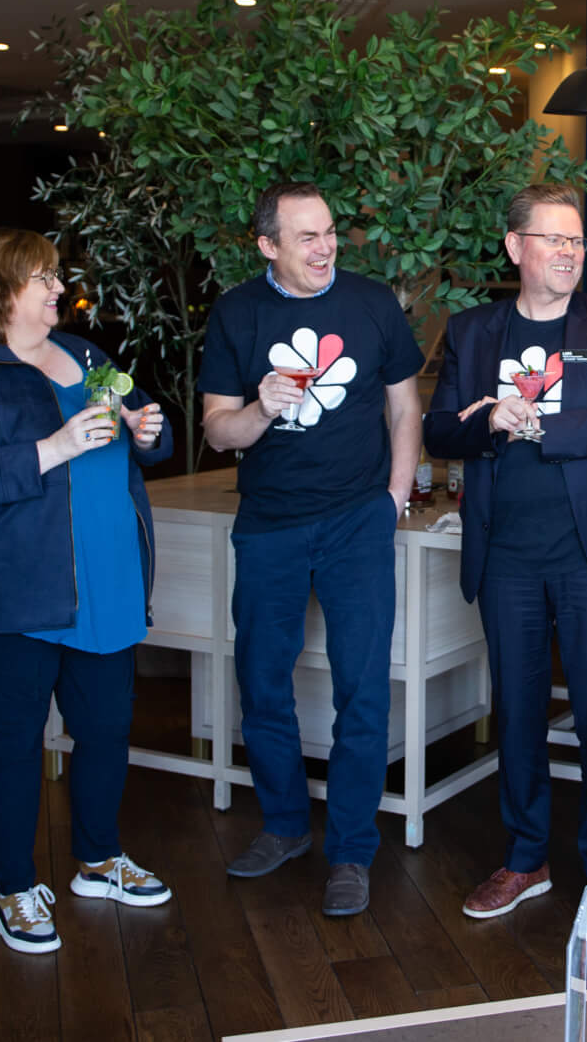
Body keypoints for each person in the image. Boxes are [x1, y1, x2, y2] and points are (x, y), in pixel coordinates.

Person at [0, 228, 175, 956]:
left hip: (106, 583)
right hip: (8, 593)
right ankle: (14, 890)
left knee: (106, 729)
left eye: (56, 275)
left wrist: (148, 427)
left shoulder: (86, 355)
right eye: (43, 278)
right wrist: (52, 448)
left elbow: (150, 428)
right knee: (14, 741)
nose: (60, 288)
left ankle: (98, 857)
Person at [422, 184, 587, 942]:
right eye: (554, 239)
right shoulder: (471, 331)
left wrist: (538, 425)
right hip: (507, 555)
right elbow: (440, 429)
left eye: (578, 242)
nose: (569, 253)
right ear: (515, 246)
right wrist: (488, 417)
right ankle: (525, 858)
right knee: (517, 713)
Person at [200, 181, 424, 918]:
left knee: (362, 686)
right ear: (268, 245)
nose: (326, 247)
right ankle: (287, 825)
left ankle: (352, 847)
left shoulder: (371, 302)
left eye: (329, 232)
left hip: (358, 518)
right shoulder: (236, 313)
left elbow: (403, 405)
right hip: (269, 521)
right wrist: (262, 406)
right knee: (263, 682)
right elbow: (216, 431)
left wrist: (393, 497)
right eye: (306, 237)